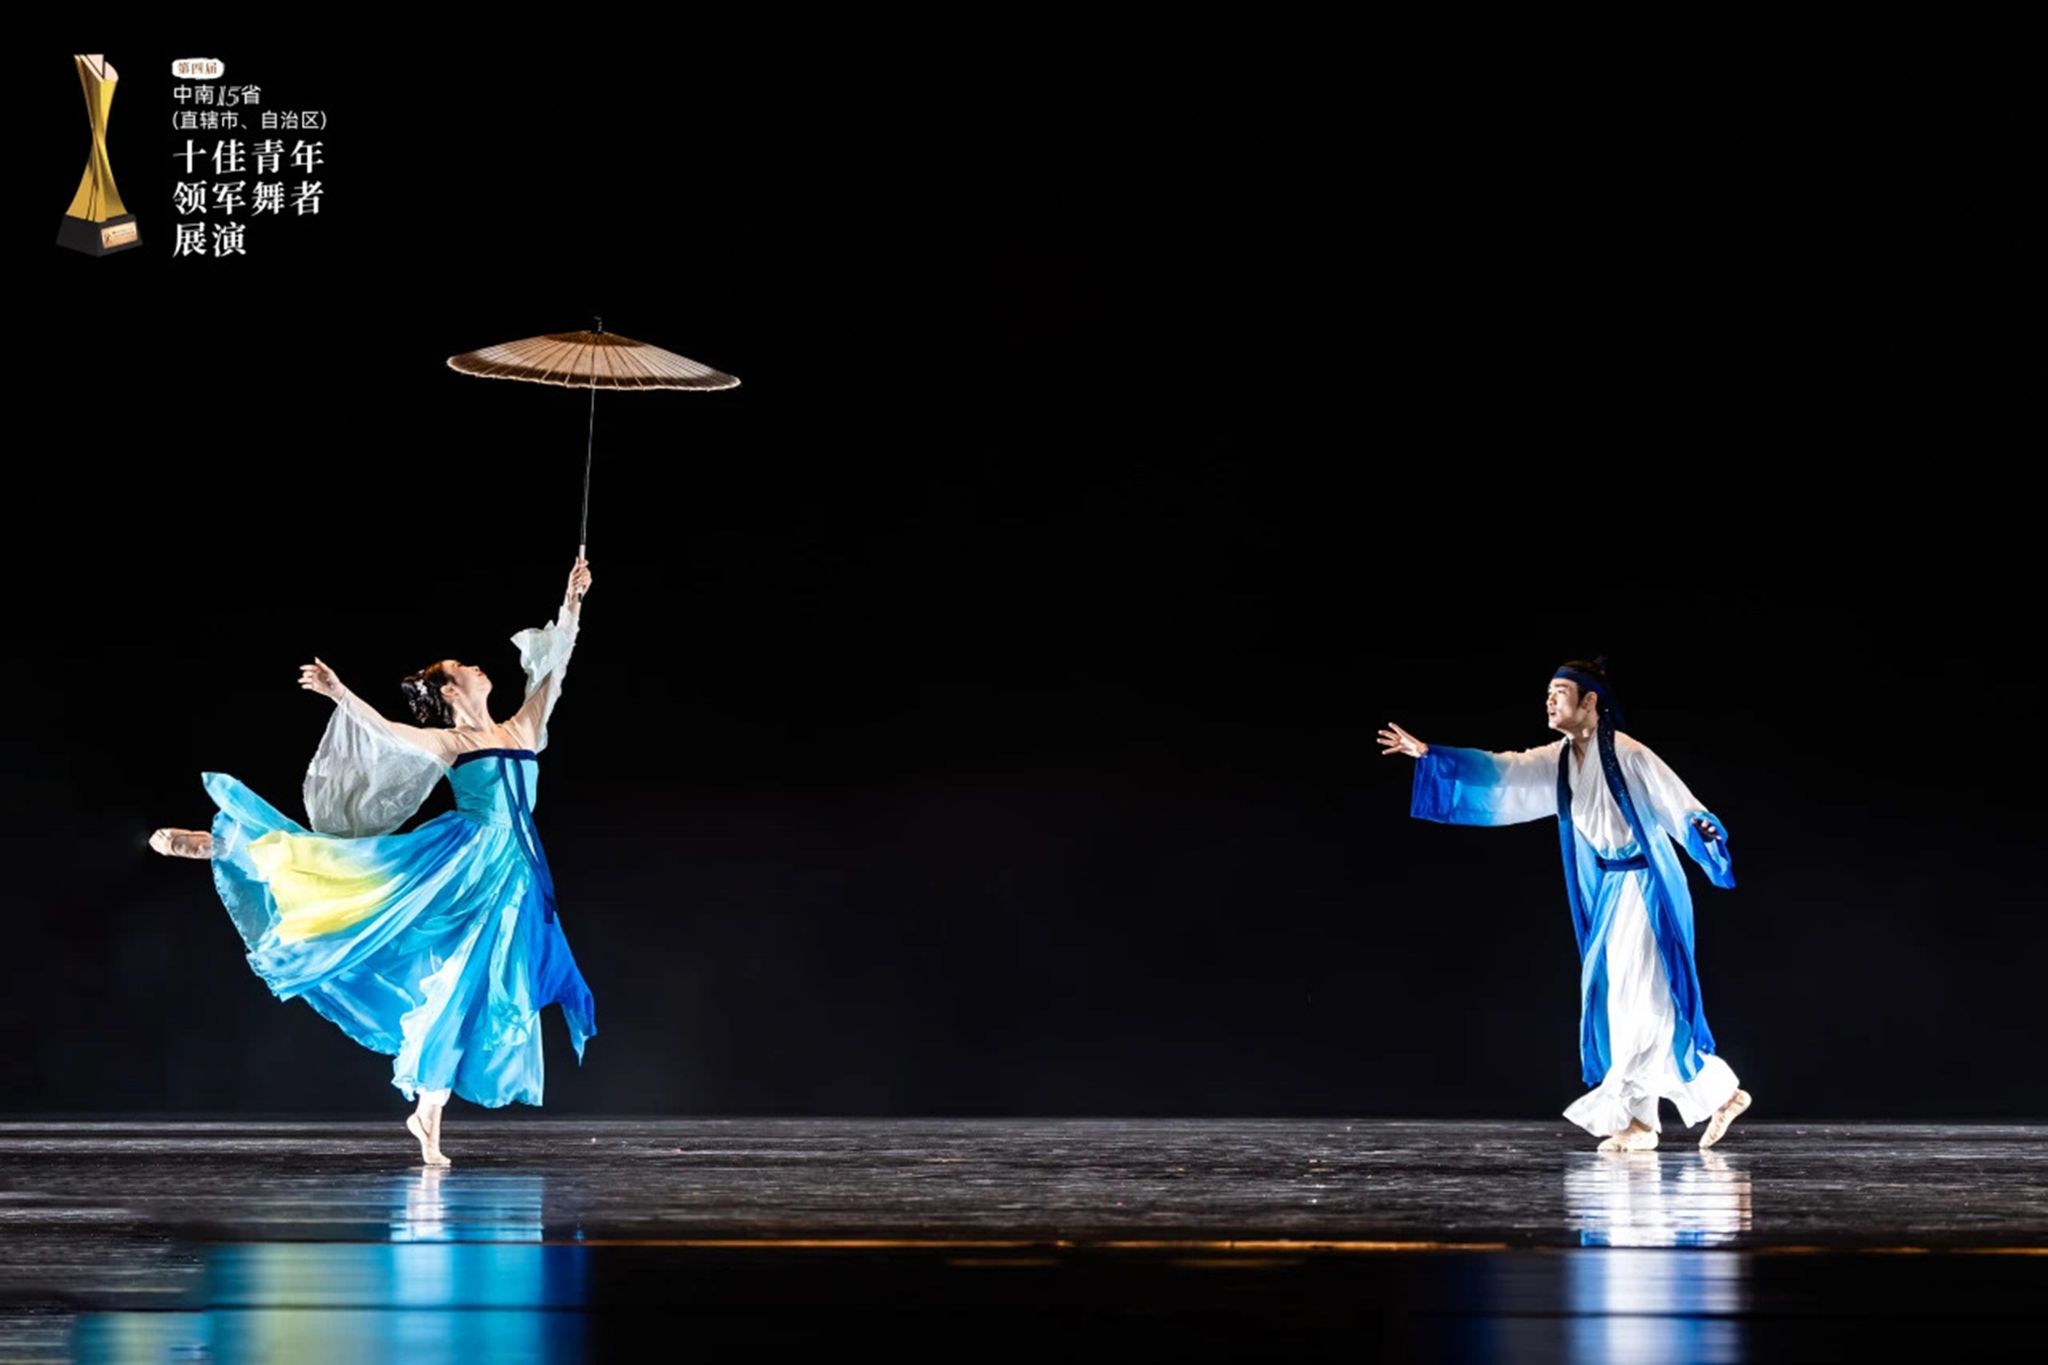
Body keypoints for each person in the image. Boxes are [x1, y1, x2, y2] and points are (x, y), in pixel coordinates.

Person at [149, 557, 599, 1165]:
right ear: (449, 692)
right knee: (344, 873)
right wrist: (339, 692)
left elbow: (558, 665)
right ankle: (225, 844)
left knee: (471, 986)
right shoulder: (451, 742)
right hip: (457, 862)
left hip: (513, 873)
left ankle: (428, 1111)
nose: (476, 667)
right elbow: (386, 731)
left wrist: (572, 602)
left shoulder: (524, 727)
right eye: (461, 668)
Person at [1377, 658, 1751, 1152]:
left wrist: (1700, 828)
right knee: (1620, 1000)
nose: (1549, 700)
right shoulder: (1559, 759)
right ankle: (1708, 1097)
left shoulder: (1629, 754)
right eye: (1548, 693)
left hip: (1648, 886)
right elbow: (1503, 770)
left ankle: (1647, 1121)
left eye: (1560, 692)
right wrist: (1431, 754)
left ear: (1590, 701)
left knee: (1643, 998)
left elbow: (1675, 803)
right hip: (1613, 890)